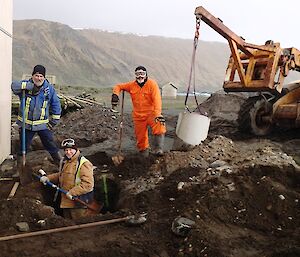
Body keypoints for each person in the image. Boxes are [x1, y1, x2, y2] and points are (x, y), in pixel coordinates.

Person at [11, 65, 62, 168]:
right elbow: (13, 86)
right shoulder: (25, 87)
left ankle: (60, 163)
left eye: (41, 76)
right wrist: (28, 86)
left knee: (50, 143)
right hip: (27, 125)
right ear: (33, 75)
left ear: (44, 77)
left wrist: (54, 120)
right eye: (36, 75)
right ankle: (20, 167)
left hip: (43, 125)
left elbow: (55, 104)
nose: (38, 78)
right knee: (23, 147)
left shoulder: (49, 89)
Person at [111, 66, 166, 156]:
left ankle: (158, 149)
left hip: (152, 113)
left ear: (146, 74)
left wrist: (157, 114)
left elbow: (157, 99)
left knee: (159, 125)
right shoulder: (131, 85)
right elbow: (118, 86)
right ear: (135, 75)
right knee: (141, 138)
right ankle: (143, 156)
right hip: (138, 116)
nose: (140, 76)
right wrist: (115, 94)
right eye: (137, 74)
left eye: (142, 74)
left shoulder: (152, 84)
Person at [39, 138, 95, 219]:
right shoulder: (67, 162)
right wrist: (48, 178)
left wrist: (72, 192)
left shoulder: (83, 164)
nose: (68, 152)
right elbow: (62, 175)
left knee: (79, 226)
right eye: (66, 150)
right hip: (66, 202)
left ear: (76, 149)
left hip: (78, 203)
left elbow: (88, 185)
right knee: (67, 224)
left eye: (70, 149)